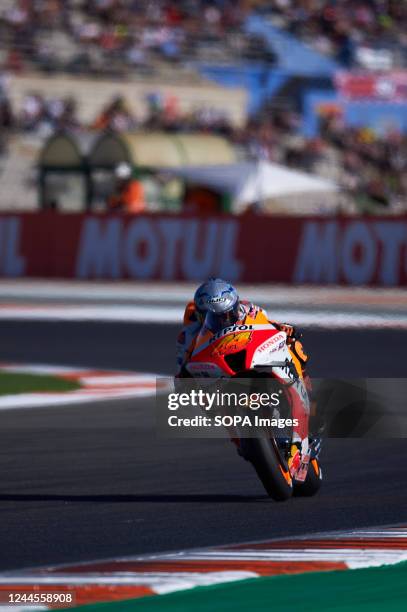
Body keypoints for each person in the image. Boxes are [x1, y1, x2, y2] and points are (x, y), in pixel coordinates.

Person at [176, 278, 319, 475]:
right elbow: (183, 366)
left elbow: (267, 324)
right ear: (202, 316)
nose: (224, 320)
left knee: (292, 346)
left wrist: (283, 328)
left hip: (253, 355)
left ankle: (305, 395)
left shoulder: (248, 309)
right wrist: (184, 378)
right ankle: (238, 439)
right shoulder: (189, 334)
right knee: (203, 397)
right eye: (216, 317)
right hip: (221, 369)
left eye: (228, 314)